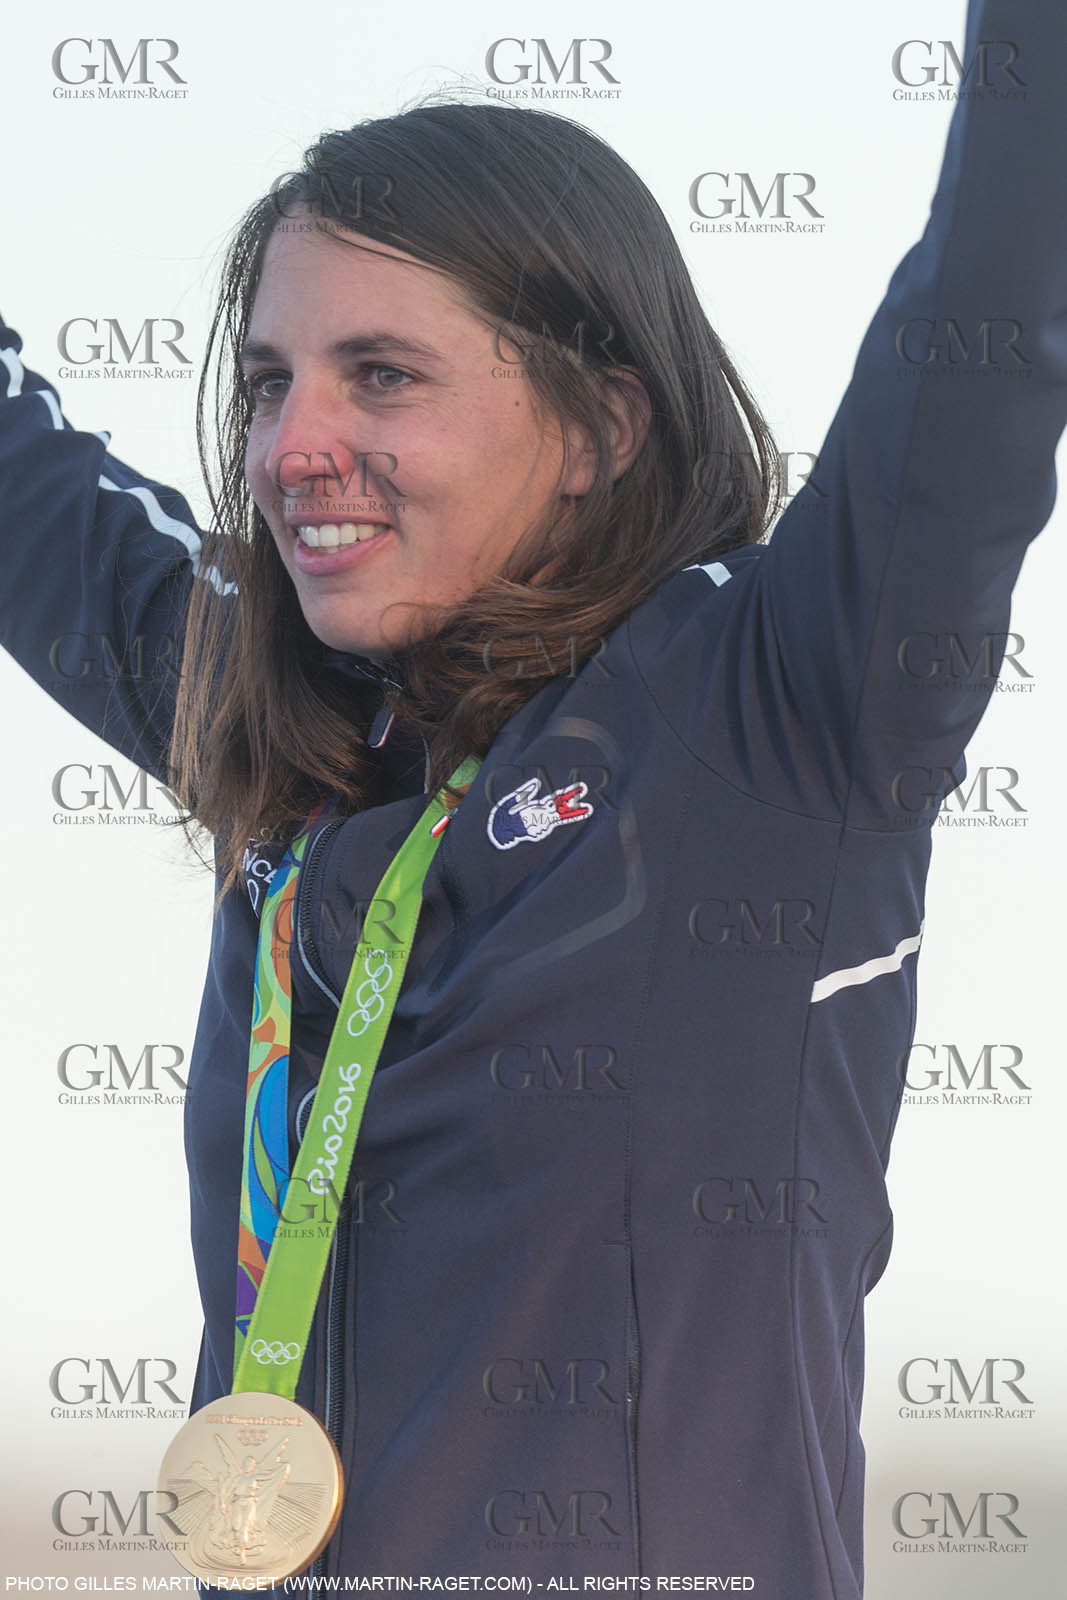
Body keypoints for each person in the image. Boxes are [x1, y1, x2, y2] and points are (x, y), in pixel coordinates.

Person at [2, 2, 1064, 1592]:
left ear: (600, 425)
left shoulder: (777, 715)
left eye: (382, 375)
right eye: (271, 380)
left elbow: (1000, 283)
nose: (296, 446)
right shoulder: (280, 734)